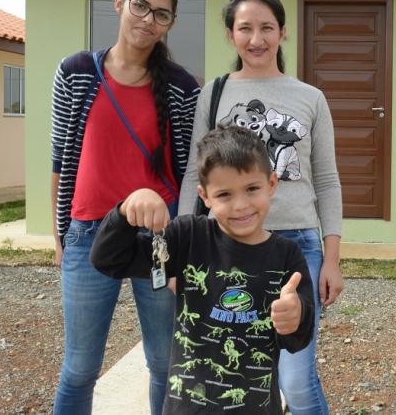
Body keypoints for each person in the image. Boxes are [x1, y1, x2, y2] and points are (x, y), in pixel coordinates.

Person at [178, 0, 343, 414]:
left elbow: (326, 181)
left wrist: (331, 258)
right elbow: (195, 174)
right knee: (237, 373)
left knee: (297, 381)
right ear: (231, 35)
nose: (257, 39)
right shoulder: (212, 93)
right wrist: (179, 250)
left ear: (283, 33)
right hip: (227, 248)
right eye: (245, 28)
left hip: (298, 246)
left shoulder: (311, 98)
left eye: (267, 27)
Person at [50, 0, 201, 415]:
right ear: (120, 4)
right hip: (88, 232)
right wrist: (59, 233)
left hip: (159, 238)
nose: (148, 19)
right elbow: (60, 158)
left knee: (165, 362)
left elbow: (190, 170)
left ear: (169, 24)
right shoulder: (76, 71)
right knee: (79, 369)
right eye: (140, 5)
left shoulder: (181, 85)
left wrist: (187, 239)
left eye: (161, 14)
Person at [90, 125, 315, 414]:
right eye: (224, 195)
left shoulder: (287, 254)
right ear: (205, 196)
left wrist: (295, 317)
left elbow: (298, 339)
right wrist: (125, 213)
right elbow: (109, 260)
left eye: (252, 189)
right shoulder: (187, 236)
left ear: (272, 183)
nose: (241, 205)